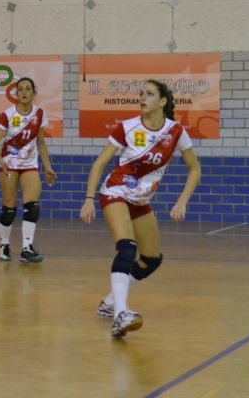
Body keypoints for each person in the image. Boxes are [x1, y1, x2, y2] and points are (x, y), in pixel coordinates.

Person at [79, 80, 201, 338]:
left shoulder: (176, 132)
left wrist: (182, 201)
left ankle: (109, 303)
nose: (142, 98)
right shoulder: (127, 127)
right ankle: (120, 314)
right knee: (127, 248)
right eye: (141, 94)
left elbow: (195, 169)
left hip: (140, 201)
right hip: (115, 192)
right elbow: (100, 163)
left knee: (151, 260)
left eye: (149, 94)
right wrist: (89, 198)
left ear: (163, 101)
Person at [0, 77, 57, 264]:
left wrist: (48, 167)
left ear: (33, 93)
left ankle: (27, 248)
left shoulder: (40, 113)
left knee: (32, 207)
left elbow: (41, 142)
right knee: (9, 208)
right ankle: (3, 245)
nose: (24, 92)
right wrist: (0, 161)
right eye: (20, 89)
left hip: (30, 164)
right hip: (9, 164)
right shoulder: (8, 114)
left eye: (28, 89)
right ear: (16, 93)